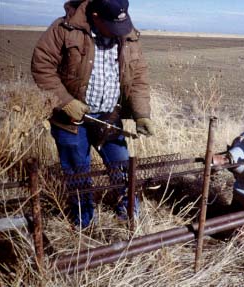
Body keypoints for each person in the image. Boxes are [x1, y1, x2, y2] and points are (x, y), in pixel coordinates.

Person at [31, 0, 154, 229]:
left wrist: (141, 114)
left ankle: (129, 216)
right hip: (70, 121)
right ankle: (84, 224)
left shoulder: (128, 36)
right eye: (112, 26)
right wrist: (65, 102)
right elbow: (42, 67)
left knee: (122, 168)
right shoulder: (64, 29)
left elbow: (138, 78)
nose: (119, 32)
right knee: (78, 174)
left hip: (109, 118)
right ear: (95, 15)